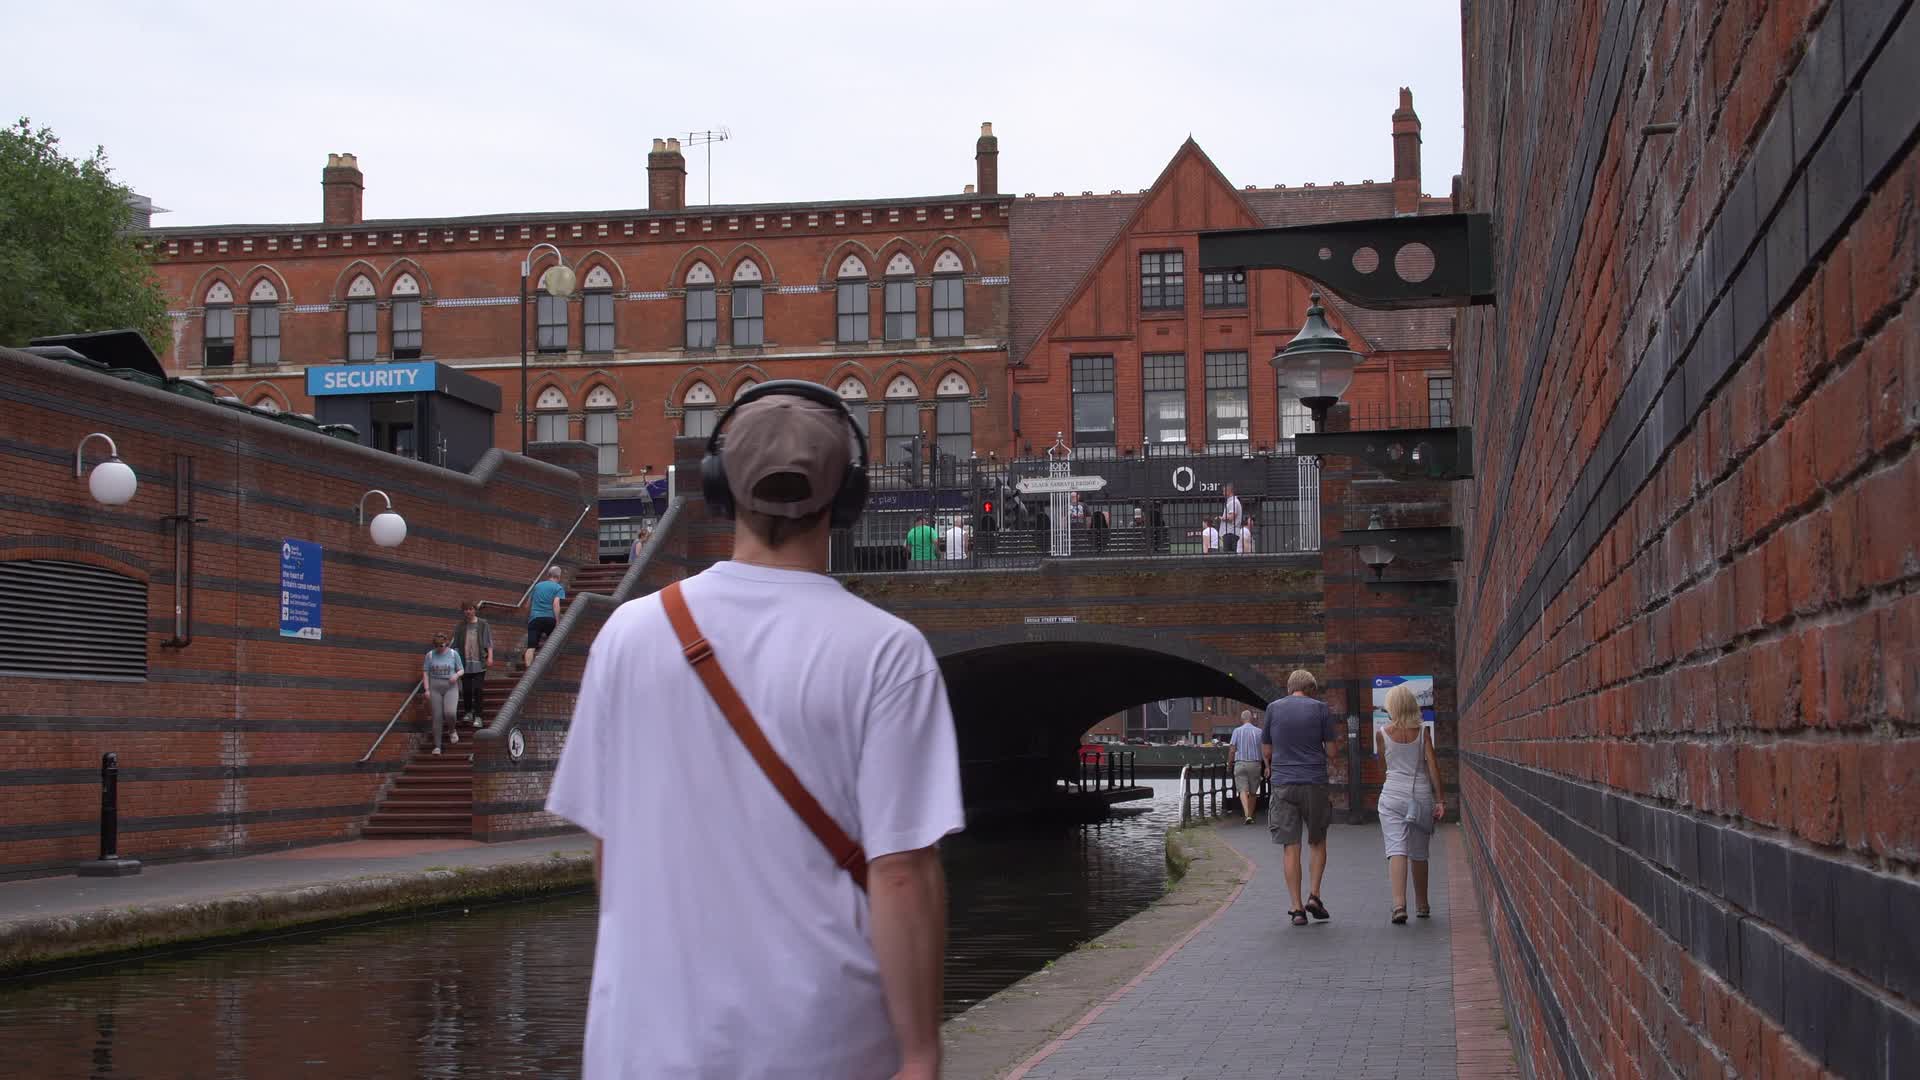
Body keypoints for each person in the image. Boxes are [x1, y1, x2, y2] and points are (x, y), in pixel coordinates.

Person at [547, 381, 962, 1079]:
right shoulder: (888, 653)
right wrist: (920, 1050)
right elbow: (901, 875)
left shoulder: (627, 634)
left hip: (639, 1051)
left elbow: (607, 852)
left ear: (719, 488)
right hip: (822, 1051)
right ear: (849, 498)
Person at [1262, 669, 1340, 926]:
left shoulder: (1273, 709)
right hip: (1313, 783)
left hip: (1283, 784)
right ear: (1311, 689)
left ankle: (1296, 909)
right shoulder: (1321, 709)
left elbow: (1267, 749)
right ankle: (1315, 896)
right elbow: (1331, 752)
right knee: (1317, 841)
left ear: (1290, 688)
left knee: (1290, 846)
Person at [1375, 683, 1445, 923]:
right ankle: (1423, 905)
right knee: (1419, 852)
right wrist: (1441, 800)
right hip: (1420, 796)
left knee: (1396, 849)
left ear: (1393, 707)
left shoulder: (1382, 733)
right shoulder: (1423, 731)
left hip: (1392, 795)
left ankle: (1399, 906)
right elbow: (1433, 767)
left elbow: (1383, 768)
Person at [420, 631, 464, 755]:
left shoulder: (453, 654)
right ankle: (437, 746)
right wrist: (427, 689)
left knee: (450, 712)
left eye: (443, 645)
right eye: (438, 646)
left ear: (446, 643)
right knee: (437, 717)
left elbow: (461, 669)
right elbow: (425, 672)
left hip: (450, 686)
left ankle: (452, 730)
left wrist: (456, 675)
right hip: (435, 687)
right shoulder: (430, 655)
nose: (440, 648)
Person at [450, 601, 493, 726]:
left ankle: (479, 716)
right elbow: (455, 644)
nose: (468, 612)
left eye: (470, 609)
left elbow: (488, 641)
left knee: (478, 689)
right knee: (467, 689)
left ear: (474, 610)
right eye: (465, 610)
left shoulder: (483, 624)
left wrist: (490, 657)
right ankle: (468, 712)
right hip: (464, 663)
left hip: (479, 662)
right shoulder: (460, 626)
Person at [524, 565, 566, 668]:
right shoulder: (558, 588)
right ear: (559, 577)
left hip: (535, 618)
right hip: (549, 618)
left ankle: (528, 670)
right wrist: (557, 621)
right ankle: (546, 666)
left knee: (531, 646)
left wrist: (530, 617)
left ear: (548, 575)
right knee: (552, 645)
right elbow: (556, 604)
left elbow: (527, 605)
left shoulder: (537, 586)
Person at [1230, 709, 1266, 825]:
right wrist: (1267, 766)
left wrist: (1230, 763)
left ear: (1242, 719)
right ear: (1251, 718)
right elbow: (1263, 750)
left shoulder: (1237, 731)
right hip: (1255, 764)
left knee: (1242, 790)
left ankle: (1246, 815)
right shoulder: (1259, 732)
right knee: (1253, 792)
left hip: (1240, 764)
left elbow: (1232, 749)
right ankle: (1250, 815)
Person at [1220, 483, 1242, 553]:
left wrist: (1221, 518)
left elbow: (1231, 517)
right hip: (1230, 532)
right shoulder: (1232, 502)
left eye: (1224, 491)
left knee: (1229, 555)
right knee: (1230, 555)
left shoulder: (1233, 502)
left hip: (1230, 533)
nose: (1223, 493)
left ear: (1229, 491)